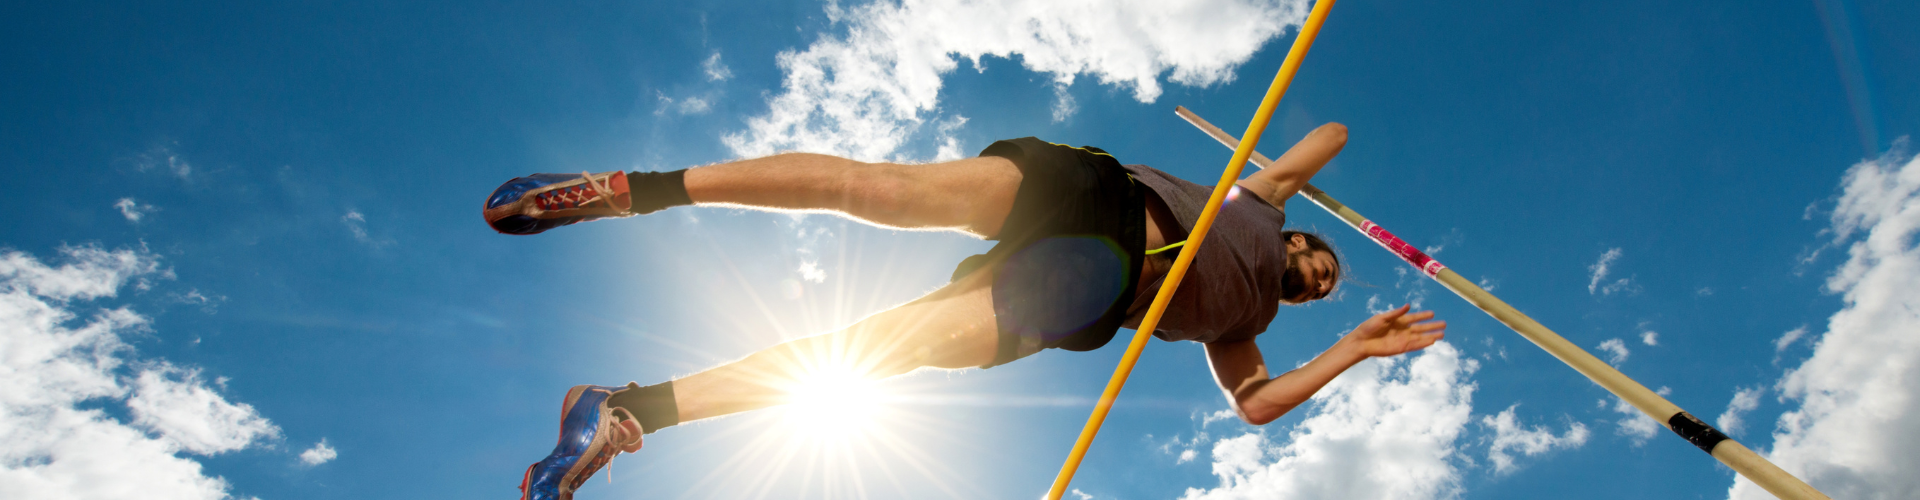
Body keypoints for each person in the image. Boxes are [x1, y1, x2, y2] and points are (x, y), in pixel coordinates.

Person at [489, 123, 1447, 500]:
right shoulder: (1265, 203)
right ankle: (627, 188)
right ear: (1297, 241)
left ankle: (623, 409)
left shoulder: (1248, 329)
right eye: (1317, 264)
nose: (1317, 278)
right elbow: (1333, 130)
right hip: (1097, 193)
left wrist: (1356, 351)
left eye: (1321, 287)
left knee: (876, 354)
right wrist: (1330, 200)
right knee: (881, 192)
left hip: (1092, 285)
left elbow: (1256, 407)